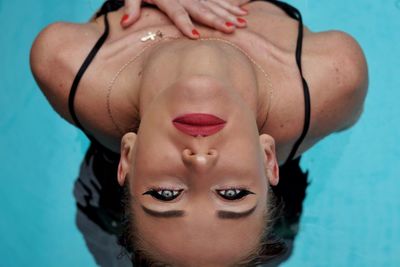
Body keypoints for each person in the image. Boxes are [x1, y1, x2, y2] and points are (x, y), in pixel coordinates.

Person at [30, 0, 368, 266]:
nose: (201, 162)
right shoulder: (332, 80)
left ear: (128, 157)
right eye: (234, 194)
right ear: (268, 159)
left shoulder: (66, 64)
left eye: (165, 194)